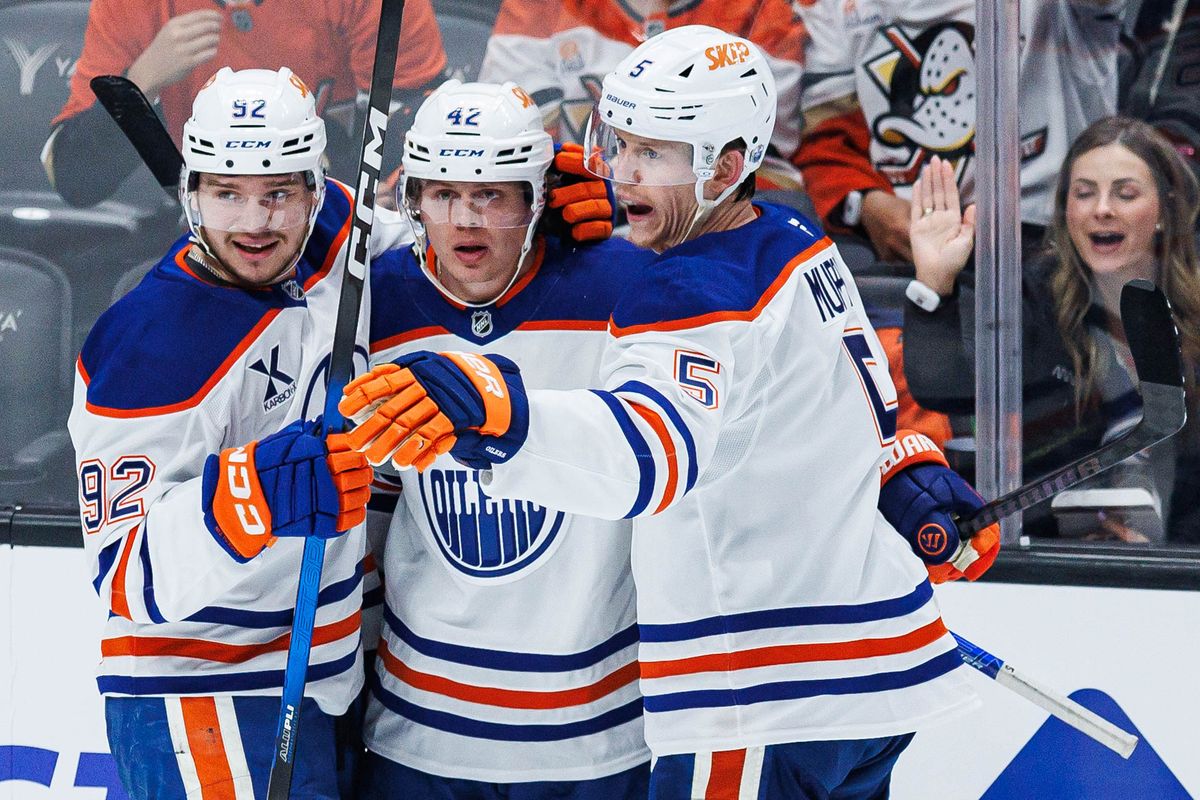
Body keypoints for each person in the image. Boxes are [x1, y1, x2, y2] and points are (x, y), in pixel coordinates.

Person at [340, 27, 999, 798]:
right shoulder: (795, 240)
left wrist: (498, 414)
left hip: (760, 692)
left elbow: (643, 457)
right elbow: (841, 417)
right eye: (618, 144)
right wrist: (902, 469)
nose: (620, 173)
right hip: (871, 673)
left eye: (654, 154)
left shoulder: (684, 294)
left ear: (726, 166)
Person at [66, 66, 412, 799]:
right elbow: (127, 575)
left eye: (278, 194)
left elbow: (429, 248)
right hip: (199, 693)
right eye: (227, 194)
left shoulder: (335, 240)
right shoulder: (148, 348)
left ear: (315, 191)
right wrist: (255, 490)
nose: (255, 223)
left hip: (332, 673)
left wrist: (547, 231)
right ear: (192, 191)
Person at [347, 78, 654, 799]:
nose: (465, 219)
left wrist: (643, 222)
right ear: (412, 198)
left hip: (596, 735)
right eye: (445, 194)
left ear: (538, 197)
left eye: (492, 194)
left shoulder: (624, 285)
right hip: (418, 729)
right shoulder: (376, 298)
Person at [903, 117, 1200, 543]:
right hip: (1055, 563)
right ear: (1066, 210)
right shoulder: (1034, 298)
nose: (1102, 208)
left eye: (1125, 193)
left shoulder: (1192, 319)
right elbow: (945, 387)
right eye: (1084, 193)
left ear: (1164, 210)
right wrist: (934, 284)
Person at [793, 0, 1125, 263]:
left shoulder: (1055, 9)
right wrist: (868, 205)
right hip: (911, 243)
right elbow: (828, 140)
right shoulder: (832, 9)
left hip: (1049, 235)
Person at [44, 0, 447, 207]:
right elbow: (74, 180)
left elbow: (422, 124)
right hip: (203, 225)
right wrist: (138, 85)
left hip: (333, 218)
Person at [478, 0, 807, 190]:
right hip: (580, 218)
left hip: (712, 219)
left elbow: (763, 159)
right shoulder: (540, 7)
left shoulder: (764, 10)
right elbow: (507, 150)